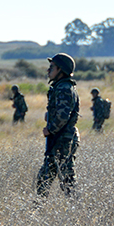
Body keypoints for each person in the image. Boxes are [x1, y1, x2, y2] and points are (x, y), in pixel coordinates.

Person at [36, 53, 80, 199]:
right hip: (60, 139)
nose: (48, 71)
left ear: (60, 70)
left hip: (62, 140)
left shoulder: (63, 88)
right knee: (45, 179)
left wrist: (50, 129)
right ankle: (37, 211)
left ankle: (76, 212)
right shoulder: (61, 87)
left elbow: (63, 116)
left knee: (66, 181)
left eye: (51, 67)